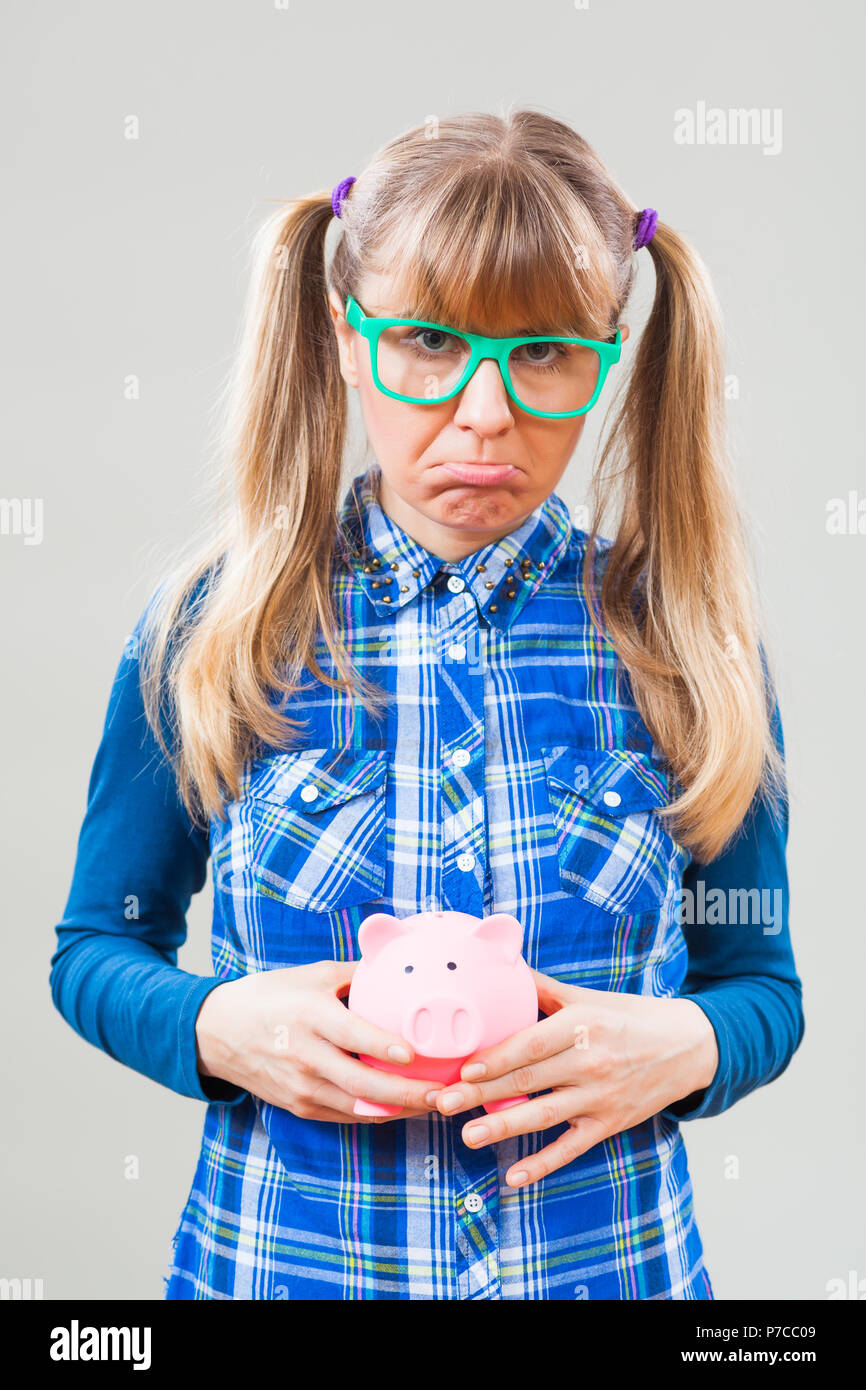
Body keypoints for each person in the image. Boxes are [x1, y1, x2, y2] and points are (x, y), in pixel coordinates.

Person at [50, 108, 804, 1300]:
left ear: (607, 356)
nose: (485, 411)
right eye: (427, 345)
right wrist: (212, 1027)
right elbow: (95, 949)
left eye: (546, 352)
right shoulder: (212, 630)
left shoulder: (684, 645)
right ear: (348, 341)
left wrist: (689, 1044)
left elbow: (760, 983)